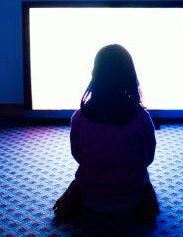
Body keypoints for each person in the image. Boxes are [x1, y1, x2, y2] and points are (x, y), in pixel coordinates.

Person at [53, 44, 160, 223]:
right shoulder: (142, 117)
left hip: (91, 199)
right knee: (144, 173)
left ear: (95, 75)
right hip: (131, 199)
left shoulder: (80, 117)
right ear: (130, 75)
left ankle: (73, 192)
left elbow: (78, 155)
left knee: (85, 172)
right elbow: (148, 158)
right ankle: (147, 195)